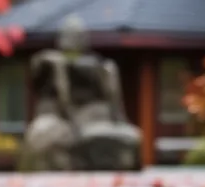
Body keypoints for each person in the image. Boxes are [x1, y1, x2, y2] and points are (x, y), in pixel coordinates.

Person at [22, 15, 141, 171]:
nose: (71, 40)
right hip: (61, 121)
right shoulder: (50, 62)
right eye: (68, 35)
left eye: (76, 35)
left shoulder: (101, 67)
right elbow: (36, 72)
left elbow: (112, 100)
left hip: (92, 119)